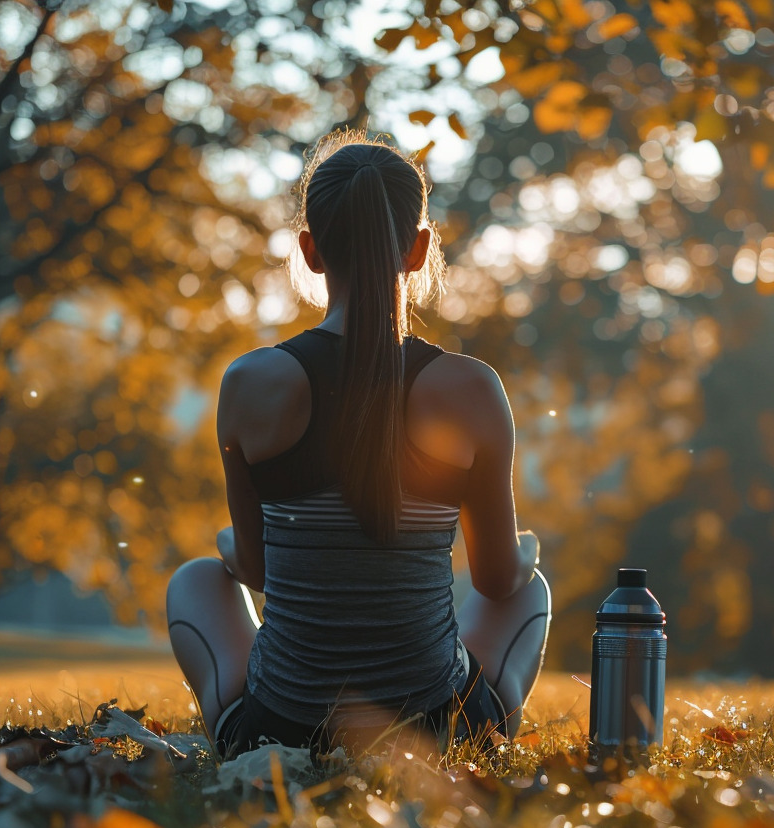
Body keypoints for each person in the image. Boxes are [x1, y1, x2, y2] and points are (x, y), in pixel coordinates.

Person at [166, 130, 551, 759]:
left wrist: (230, 546)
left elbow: (257, 572)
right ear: (420, 250)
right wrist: (521, 553)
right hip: (434, 736)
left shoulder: (251, 383)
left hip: (282, 734)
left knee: (198, 581)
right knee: (532, 589)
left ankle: (239, 738)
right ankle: (487, 732)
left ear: (311, 251)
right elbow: (499, 579)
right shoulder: (471, 388)